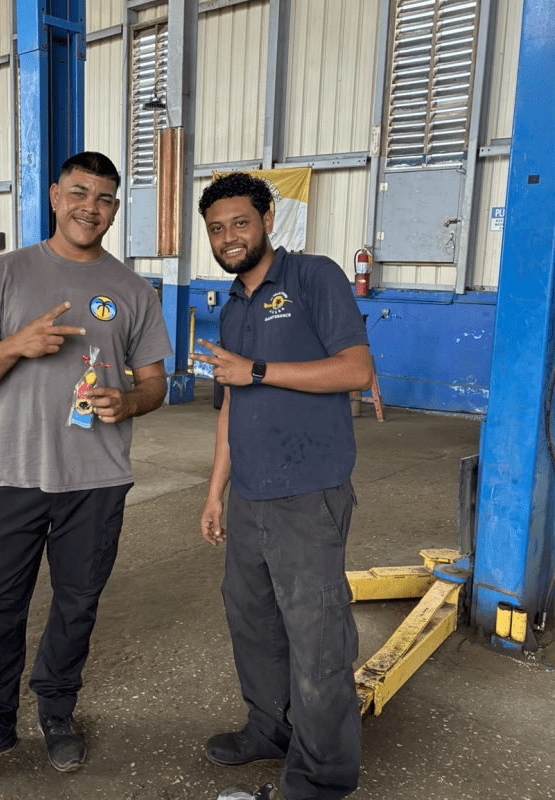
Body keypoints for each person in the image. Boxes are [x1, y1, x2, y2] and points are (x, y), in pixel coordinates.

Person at [0, 152, 173, 779]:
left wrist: (130, 400)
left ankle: (57, 711)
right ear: (56, 196)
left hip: (98, 478)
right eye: (80, 192)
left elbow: (156, 384)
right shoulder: (4, 274)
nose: (92, 207)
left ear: (115, 208)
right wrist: (17, 345)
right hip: (14, 472)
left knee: (77, 603)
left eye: (106, 198)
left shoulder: (134, 290)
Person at [190, 172, 373, 800]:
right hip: (249, 498)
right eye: (216, 228)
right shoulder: (232, 303)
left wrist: (259, 369)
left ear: (267, 219)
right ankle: (269, 730)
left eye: (240, 222)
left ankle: (321, 779)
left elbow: (356, 368)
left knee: (318, 639)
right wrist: (216, 493)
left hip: (308, 493)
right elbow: (228, 408)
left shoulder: (313, 277)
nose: (229, 236)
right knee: (254, 623)